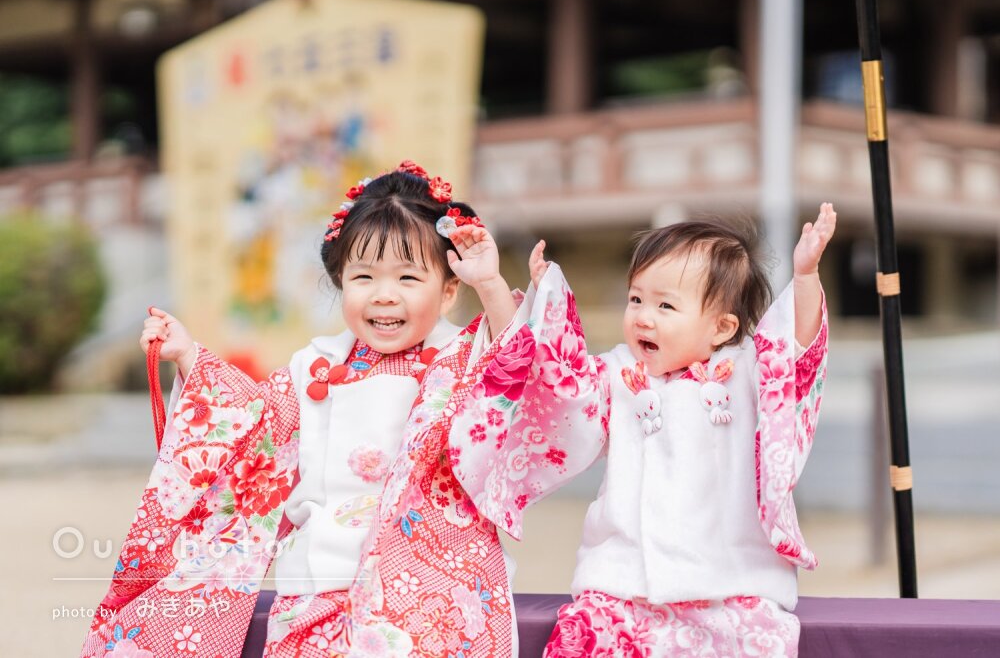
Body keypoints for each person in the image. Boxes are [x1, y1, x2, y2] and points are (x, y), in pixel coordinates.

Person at [81, 161, 525, 658]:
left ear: (448, 290)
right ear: (340, 281)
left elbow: (517, 368)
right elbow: (253, 427)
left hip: (429, 585)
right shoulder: (314, 365)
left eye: (407, 277)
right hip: (316, 579)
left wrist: (490, 284)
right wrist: (189, 356)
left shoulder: (462, 360)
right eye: (363, 276)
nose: (384, 295)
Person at [447, 204, 837, 656]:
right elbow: (553, 383)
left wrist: (805, 276)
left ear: (722, 327)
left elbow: (795, 353)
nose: (643, 317)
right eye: (636, 299)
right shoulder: (617, 374)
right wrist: (534, 303)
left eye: (665, 305)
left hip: (731, 584)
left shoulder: (747, 373)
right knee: (583, 641)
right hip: (621, 582)